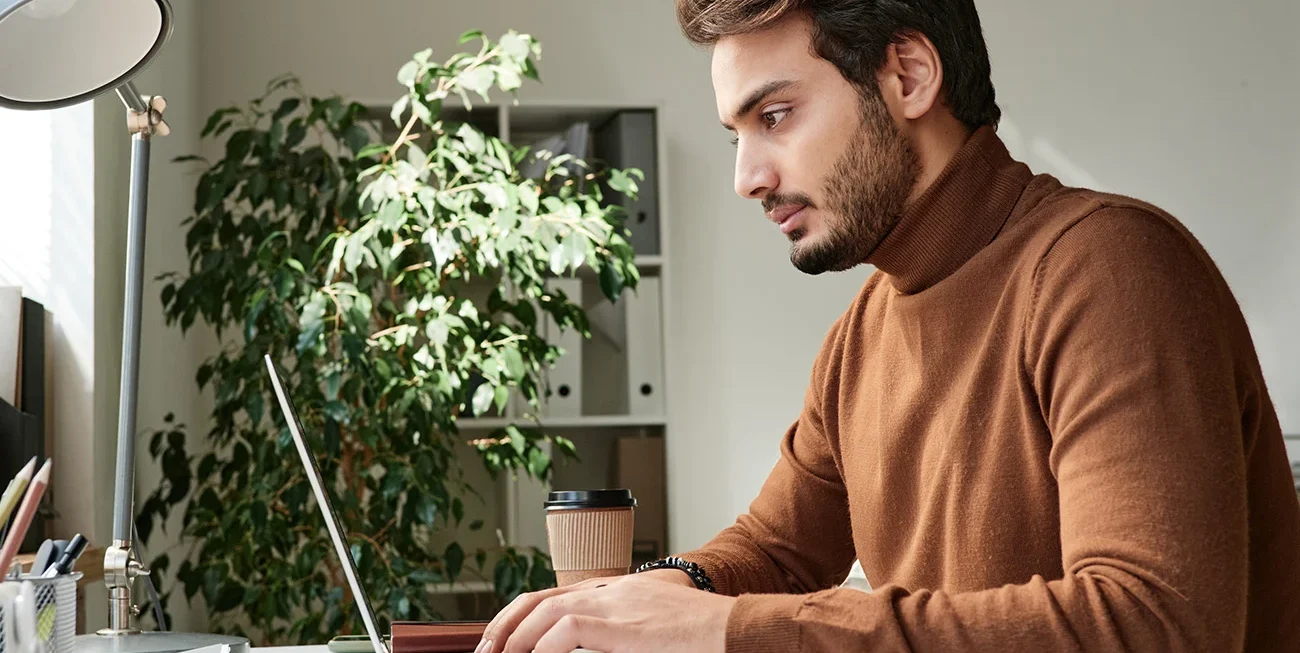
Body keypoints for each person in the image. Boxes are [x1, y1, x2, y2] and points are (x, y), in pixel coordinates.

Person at [474, 1, 1300, 651]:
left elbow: (1154, 625)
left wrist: (725, 630)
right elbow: (778, 550)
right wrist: (655, 591)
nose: (746, 178)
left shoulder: (1111, 270)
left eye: (775, 115)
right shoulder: (863, 332)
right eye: (736, 134)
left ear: (907, 74)